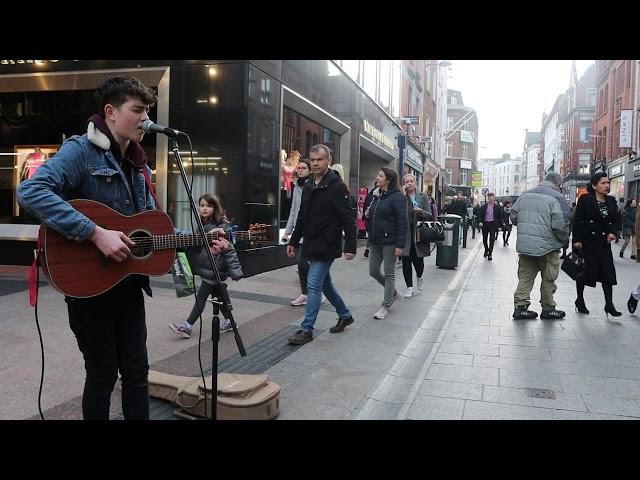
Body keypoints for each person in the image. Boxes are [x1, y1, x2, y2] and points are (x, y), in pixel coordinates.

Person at [16, 76, 230, 420]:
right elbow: (30, 191)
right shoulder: (80, 151)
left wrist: (201, 240)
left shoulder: (138, 163)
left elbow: (149, 228)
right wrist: (95, 232)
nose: (145, 119)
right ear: (111, 112)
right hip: (89, 286)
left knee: (136, 373)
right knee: (101, 374)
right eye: (138, 110)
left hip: (128, 285)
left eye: (148, 111)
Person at [286, 144, 357, 344]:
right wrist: (293, 240)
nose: (315, 163)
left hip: (327, 244)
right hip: (310, 243)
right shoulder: (308, 185)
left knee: (313, 284)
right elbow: (302, 216)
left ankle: (306, 329)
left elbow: (348, 218)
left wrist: (350, 246)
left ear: (329, 161)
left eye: (320, 160)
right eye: (313, 159)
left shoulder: (336, 186)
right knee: (325, 284)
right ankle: (345, 315)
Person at [169, 194, 243, 338]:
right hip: (207, 268)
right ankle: (230, 321)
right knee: (219, 296)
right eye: (202, 205)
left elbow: (230, 250)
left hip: (215, 269)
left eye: (208, 206)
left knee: (201, 297)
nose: (204, 208)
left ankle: (187, 326)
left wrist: (236, 271)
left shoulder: (221, 225)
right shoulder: (201, 224)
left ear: (215, 208)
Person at [510, 172, 571, 320]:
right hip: (548, 247)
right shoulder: (558, 197)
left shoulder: (525, 195)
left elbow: (513, 217)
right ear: (558, 184)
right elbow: (561, 223)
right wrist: (564, 240)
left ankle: (520, 308)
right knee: (548, 279)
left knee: (525, 277)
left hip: (526, 246)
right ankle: (548, 308)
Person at [572, 172, 622, 317]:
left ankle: (609, 304)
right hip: (587, 243)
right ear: (594, 185)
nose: (606, 185)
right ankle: (580, 300)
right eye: (603, 183)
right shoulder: (585, 199)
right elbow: (578, 221)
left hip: (603, 244)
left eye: (607, 183)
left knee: (608, 274)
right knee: (583, 273)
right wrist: (576, 240)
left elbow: (617, 220)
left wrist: (613, 232)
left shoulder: (611, 201)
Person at [366, 167, 407, 319]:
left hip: (390, 241)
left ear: (388, 180)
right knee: (374, 271)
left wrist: (399, 245)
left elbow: (402, 222)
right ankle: (394, 293)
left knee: (389, 273)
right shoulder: (377, 195)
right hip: (376, 240)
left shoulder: (397, 197)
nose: (377, 177)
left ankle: (386, 305)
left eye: (380, 175)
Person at [400, 174, 430, 298]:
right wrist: (401, 195)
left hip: (419, 233)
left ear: (416, 183)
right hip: (405, 233)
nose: (409, 183)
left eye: (411, 181)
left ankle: (419, 276)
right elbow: (398, 213)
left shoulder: (422, 197)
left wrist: (421, 212)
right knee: (406, 260)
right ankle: (409, 288)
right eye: (406, 182)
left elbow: (430, 215)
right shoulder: (402, 197)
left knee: (419, 261)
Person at [478, 193, 502, 261]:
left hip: (493, 224)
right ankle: (486, 249)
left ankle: (490, 253)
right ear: (488, 198)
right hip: (485, 224)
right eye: (489, 197)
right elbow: (480, 215)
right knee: (485, 239)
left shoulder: (497, 207)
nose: (491, 198)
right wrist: (480, 222)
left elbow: (500, 217)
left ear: (494, 198)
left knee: (492, 239)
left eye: (492, 197)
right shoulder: (484, 206)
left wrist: (500, 226)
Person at [362, 181, 377, 258]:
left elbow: (364, 206)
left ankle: (367, 247)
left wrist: (363, 217)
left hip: (368, 218)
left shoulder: (368, 195)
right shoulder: (379, 195)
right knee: (373, 233)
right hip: (376, 218)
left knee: (370, 233)